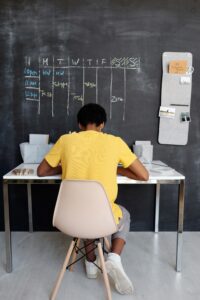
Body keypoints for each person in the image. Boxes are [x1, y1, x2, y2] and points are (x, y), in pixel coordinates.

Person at [37, 103, 149, 295]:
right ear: (102, 124)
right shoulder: (115, 142)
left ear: (79, 125)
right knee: (123, 214)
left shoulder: (65, 140)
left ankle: (90, 263)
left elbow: (42, 171)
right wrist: (115, 167)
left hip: (68, 218)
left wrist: (68, 165)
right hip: (102, 218)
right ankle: (113, 257)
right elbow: (143, 175)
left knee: (86, 211)